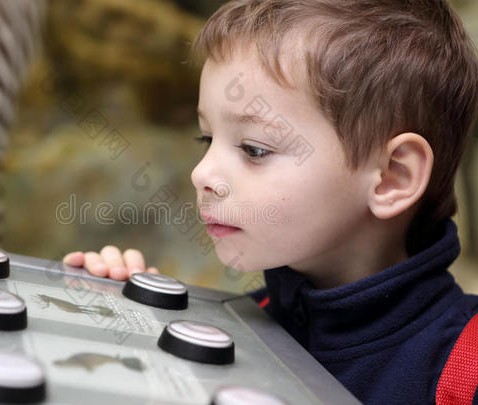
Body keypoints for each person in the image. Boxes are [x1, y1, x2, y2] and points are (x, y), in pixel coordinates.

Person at [63, 1, 478, 403]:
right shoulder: (234, 329)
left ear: (392, 177)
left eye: (254, 149)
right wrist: (144, 333)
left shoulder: (465, 369)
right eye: (207, 139)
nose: (201, 174)